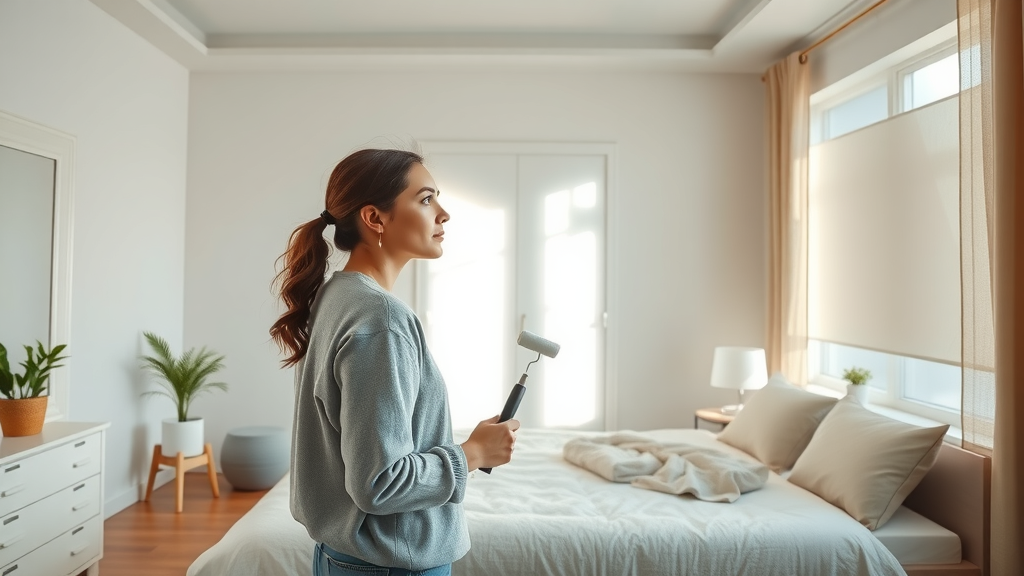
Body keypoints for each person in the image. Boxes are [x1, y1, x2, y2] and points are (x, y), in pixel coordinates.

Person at [270, 148, 519, 576]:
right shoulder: (380, 318)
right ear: (375, 218)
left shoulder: (338, 295)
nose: (443, 213)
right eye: (425, 199)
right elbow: (380, 483)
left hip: (354, 557)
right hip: (390, 564)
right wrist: (472, 453)